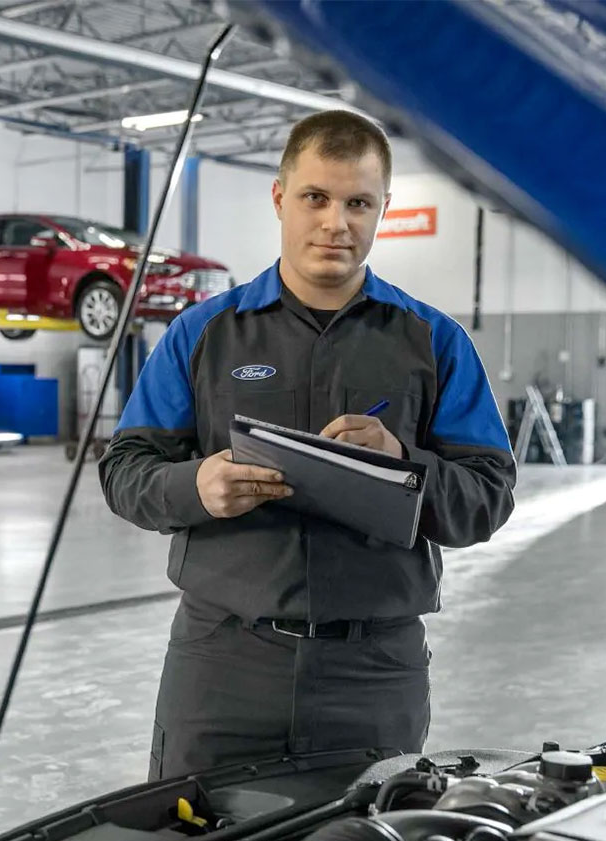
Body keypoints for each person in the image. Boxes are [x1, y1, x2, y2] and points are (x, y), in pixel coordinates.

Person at [98, 110, 516, 781]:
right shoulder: (203, 334)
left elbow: (488, 497)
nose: (336, 223)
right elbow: (124, 470)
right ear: (279, 199)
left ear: (383, 208)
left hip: (375, 671)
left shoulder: (433, 342)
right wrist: (194, 486)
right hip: (222, 662)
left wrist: (405, 465)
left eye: (358, 203)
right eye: (315, 198)